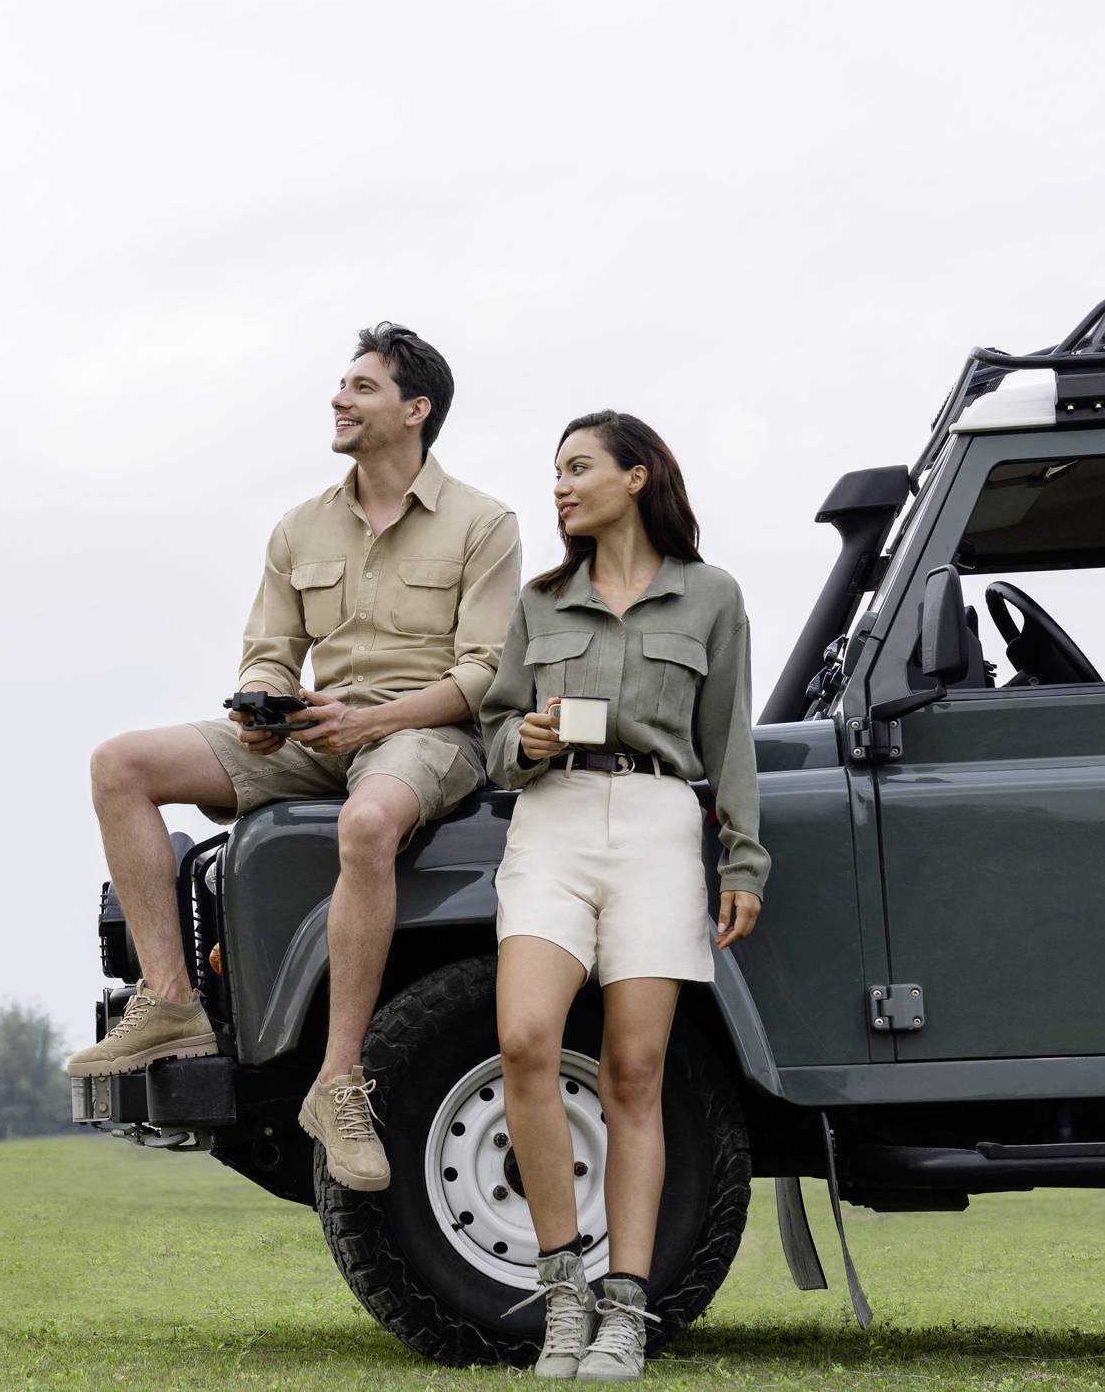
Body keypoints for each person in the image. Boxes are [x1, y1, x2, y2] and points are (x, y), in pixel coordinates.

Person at [65, 321, 522, 1191]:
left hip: (427, 734)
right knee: (119, 764)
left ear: (415, 410)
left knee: (369, 821)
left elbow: (484, 675)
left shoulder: (483, 522)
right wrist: (262, 705)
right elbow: (271, 651)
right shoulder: (299, 527)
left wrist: (370, 720)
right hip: (314, 734)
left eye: (362, 386)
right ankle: (171, 1002)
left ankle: (338, 1081)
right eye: (342, 385)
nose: (339, 399)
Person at [476, 411, 765, 1384]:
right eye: (555, 471)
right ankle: (566, 1296)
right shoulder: (540, 600)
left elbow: (729, 741)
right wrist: (526, 740)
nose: (560, 486)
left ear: (637, 476)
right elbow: (495, 736)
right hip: (552, 824)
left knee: (635, 1071)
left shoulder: (711, 596)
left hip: (657, 825)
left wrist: (743, 860)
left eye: (578, 466)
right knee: (526, 1038)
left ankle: (626, 1311)